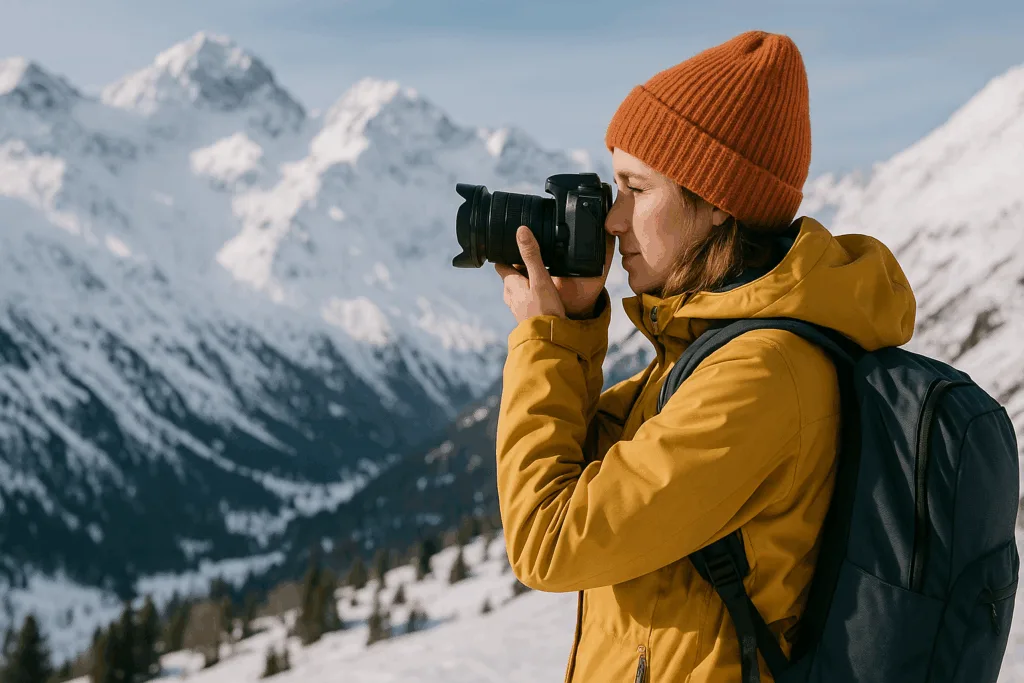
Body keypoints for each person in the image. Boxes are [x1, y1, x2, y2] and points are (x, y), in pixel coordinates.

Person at [493, 30, 916, 683]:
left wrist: (545, 340)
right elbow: (585, 466)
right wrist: (575, 323)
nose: (613, 219)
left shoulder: (762, 374)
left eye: (637, 188)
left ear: (717, 203)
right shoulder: (706, 349)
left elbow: (550, 538)